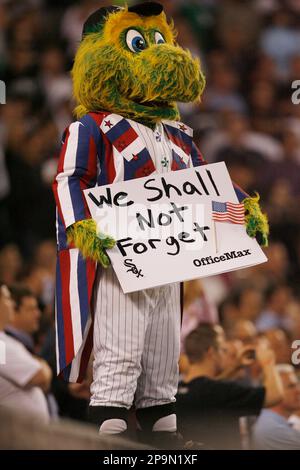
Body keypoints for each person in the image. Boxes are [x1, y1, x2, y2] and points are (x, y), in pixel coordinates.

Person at [52, 2, 268, 446]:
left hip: (171, 261)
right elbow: (70, 178)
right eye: (138, 42)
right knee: (122, 353)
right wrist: (83, 227)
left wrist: (245, 209)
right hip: (120, 258)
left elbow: (207, 186)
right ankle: (107, 440)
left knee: (162, 358)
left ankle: (166, 441)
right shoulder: (91, 127)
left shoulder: (180, 134)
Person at [176, 324, 283, 449]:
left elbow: (203, 389)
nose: (224, 355)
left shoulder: (177, 391)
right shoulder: (218, 392)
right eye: (223, 350)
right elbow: (274, 396)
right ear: (211, 352)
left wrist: (234, 368)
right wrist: (268, 362)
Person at [0, 284, 51, 423]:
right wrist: (41, 366)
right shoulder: (1, 347)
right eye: (7, 298)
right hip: (17, 437)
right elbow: (40, 377)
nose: (11, 304)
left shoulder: (5, 341)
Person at [253, 364, 300, 450]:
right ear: (273, 392)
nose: (298, 390)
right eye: (291, 386)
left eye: (297, 385)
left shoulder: (276, 421)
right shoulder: (272, 427)